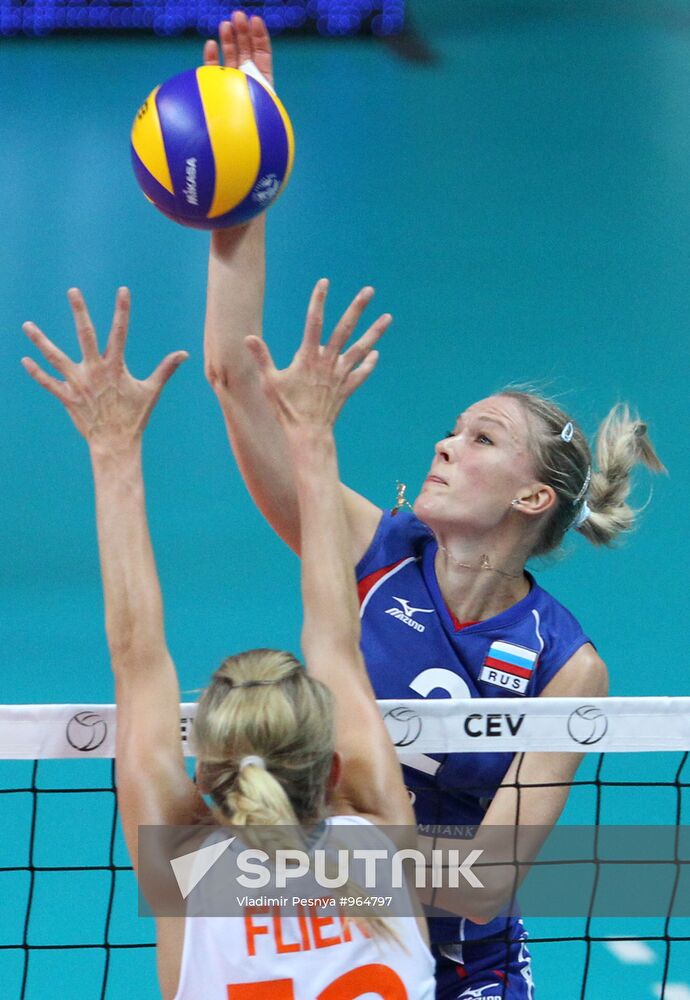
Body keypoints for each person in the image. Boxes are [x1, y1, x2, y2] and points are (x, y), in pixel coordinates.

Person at [201, 14, 666, 997]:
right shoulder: (376, 554)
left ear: (534, 496)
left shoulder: (565, 664)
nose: (448, 444)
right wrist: (245, 186)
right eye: (452, 429)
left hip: (463, 975)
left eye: (483, 437)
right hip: (332, 950)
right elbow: (235, 383)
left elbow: (484, 884)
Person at [21, 285, 436, 999]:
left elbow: (136, 655)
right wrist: (311, 434)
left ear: (206, 779)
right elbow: (336, 635)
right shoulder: (377, 843)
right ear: (334, 770)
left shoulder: (185, 866)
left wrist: (112, 447)